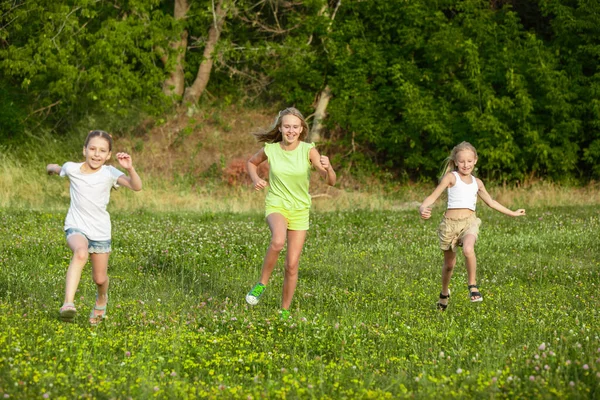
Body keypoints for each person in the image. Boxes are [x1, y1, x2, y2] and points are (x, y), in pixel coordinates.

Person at [245, 107, 336, 319]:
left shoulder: (308, 150)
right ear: (280, 127)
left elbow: (330, 181)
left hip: (300, 209)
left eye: (295, 127)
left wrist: (329, 167)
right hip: (276, 204)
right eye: (287, 126)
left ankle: (284, 312)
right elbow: (251, 163)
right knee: (277, 241)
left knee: (292, 265)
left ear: (302, 129)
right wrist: (256, 178)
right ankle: (261, 284)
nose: (291, 130)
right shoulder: (271, 149)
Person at [47, 130, 142, 324]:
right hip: (76, 226)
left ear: (108, 155)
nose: (96, 154)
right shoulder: (72, 168)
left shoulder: (109, 173)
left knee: (99, 279)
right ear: (84, 150)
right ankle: (68, 304)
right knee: (80, 252)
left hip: (100, 232)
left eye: (102, 151)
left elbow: (136, 186)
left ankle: (102, 298)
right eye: (92, 149)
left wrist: (130, 168)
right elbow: (58, 168)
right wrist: (49, 168)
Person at [419, 141, 525, 310]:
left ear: (475, 160)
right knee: (449, 266)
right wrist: (423, 207)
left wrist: (512, 212)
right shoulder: (451, 178)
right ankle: (444, 293)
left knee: (468, 249)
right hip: (450, 226)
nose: (465, 164)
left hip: (469, 222)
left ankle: (472, 285)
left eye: (469, 161)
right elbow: (433, 197)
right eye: (462, 161)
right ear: (455, 161)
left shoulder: (478, 183)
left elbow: (491, 202)